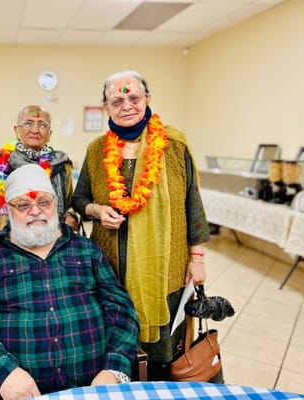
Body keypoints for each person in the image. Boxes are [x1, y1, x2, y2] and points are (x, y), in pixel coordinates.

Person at [0, 164, 139, 400]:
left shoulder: (87, 250)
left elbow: (123, 313)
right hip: (20, 393)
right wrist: (3, 370)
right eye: (23, 205)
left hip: (92, 390)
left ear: (56, 204)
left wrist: (113, 369)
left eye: (43, 202)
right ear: (7, 209)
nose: (35, 211)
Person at [72, 70, 210, 381]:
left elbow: (194, 202)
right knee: (117, 339)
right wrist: (96, 209)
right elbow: (79, 198)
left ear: (147, 99)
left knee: (163, 349)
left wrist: (197, 258)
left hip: (166, 266)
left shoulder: (173, 144)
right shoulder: (96, 150)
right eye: (116, 100)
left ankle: (159, 384)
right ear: (106, 107)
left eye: (133, 97)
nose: (127, 105)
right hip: (111, 266)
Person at [0, 104, 73, 229]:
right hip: (10, 241)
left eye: (42, 125)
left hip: (54, 239)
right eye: (28, 123)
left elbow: (70, 204)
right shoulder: (2, 165)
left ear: (49, 133)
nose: (35, 130)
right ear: (17, 130)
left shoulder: (61, 165)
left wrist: (72, 216)